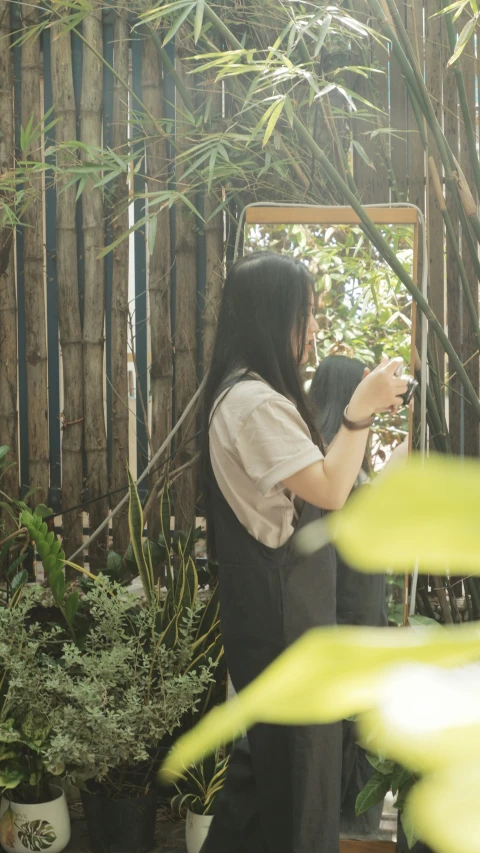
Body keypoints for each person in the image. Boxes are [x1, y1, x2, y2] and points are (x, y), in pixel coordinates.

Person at [199, 252, 408, 853]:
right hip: (285, 620)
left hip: (275, 616)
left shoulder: (244, 394)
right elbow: (330, 490)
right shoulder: (254, 404)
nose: (313, 328)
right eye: (305, 313)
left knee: (264, 787)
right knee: (298, 787)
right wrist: (359, 412)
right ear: (273, 316)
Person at [310, 354, 405, 838]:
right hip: (352, 625)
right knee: (354, 749)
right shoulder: (338, 476)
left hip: (330, 626)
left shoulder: (317, 464)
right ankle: (353, 835)